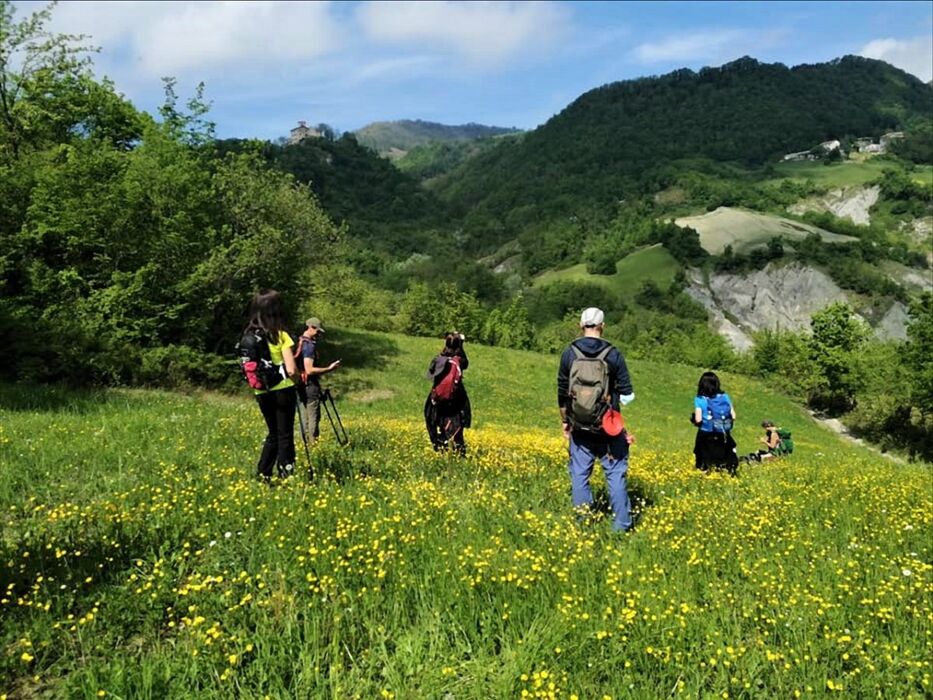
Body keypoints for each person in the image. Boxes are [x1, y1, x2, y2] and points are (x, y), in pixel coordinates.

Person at [557, 308, 636, 532]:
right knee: (615, 474)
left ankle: (582, 524)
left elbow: (562, 391)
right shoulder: (613, 354)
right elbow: (628, 394)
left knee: (580, 475)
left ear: (580, 326)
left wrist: (566, 421)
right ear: (602, 326)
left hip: (579, 425)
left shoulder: (569, 353)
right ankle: (621, 526)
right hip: (609, 427)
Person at [244, 289, 299, 480]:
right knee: (285, 434)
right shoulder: (280, 335)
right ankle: (287, 472)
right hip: (283, 389)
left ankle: (263, 473)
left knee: (273, 433)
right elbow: (291, 370)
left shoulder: (250, 335)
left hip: (261, 391)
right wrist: (298, 382)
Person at [424, 332, 471, 455]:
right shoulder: (460, 361)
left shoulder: (437, 359)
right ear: (458, 346)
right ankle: (460, 453)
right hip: (455, 400)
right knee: (457, 427)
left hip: (438, 400)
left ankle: (440, 447)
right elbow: (466, 363)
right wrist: (461, 345)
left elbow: (431, 372)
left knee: (439, 422)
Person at [296, 317, 341, 442]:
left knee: (305, 417)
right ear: (311, 327)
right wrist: (329, 368)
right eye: (318, 331)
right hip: (310, 385)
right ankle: (313, 445)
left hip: (300, 384)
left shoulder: (299, 341)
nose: (319, 334)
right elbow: (309, 369)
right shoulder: (309, 346)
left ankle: (304, 444)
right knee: (313, 416)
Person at [691, 371, 738, 474]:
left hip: (706, 433)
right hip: (723, 432)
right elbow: (733, 416)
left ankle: (704, 474)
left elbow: (698, 419)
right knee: (722, 458)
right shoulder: (724, 396)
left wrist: (694, 420)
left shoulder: (699, 399)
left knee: (703, 458)